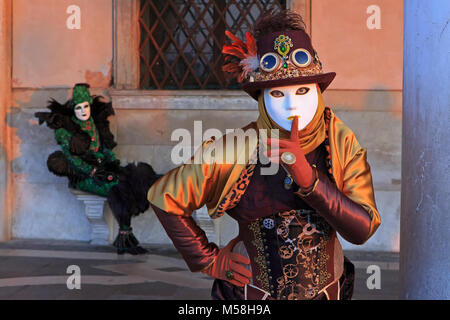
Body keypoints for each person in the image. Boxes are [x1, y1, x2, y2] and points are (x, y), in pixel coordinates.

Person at [147, 10, 380, 300]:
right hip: (250, 296)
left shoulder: (339, 142)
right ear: (261, 100)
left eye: (304, 90)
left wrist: (310, 181)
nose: (292, 106)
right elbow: (164, 197)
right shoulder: (236, 148)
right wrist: (209, 259)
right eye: (278, 94)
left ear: (319, 92)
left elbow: (362, 229)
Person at [36, 83, 160, 255]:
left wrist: (111, 161)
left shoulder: (96, 123)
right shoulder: (65, 131)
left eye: (85, 106)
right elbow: (72, 159)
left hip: (103, 168)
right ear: (73, 109)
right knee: (116, 186)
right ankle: (125, 238)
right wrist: (92, 172)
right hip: (83, 175)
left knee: (131, 177)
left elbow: (105, 149)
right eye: (78, 108)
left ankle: (125, 238)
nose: (83, 111)